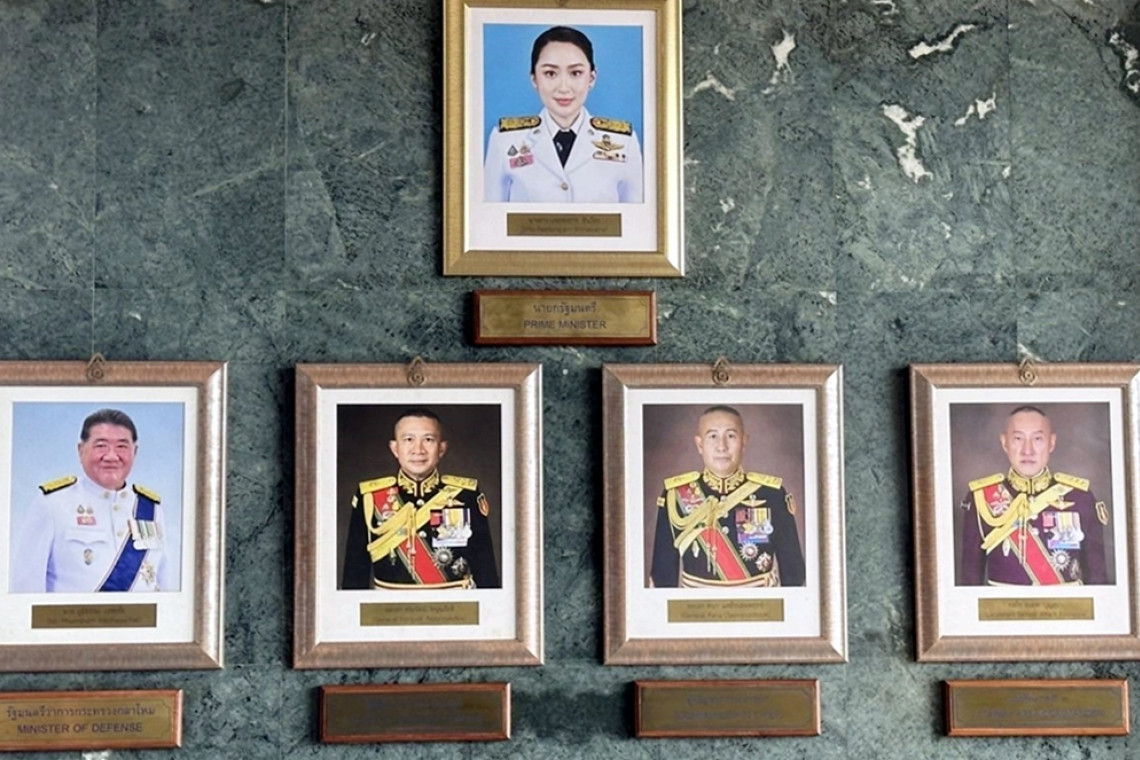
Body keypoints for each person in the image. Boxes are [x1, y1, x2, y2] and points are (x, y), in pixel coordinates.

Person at [11, 409, 168, 593]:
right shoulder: (53, 503)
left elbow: (163, 583)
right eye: (101, 446)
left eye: (121, 446)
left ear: (135, 452)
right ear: (81, 450)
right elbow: (26, 587)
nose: (111, 456)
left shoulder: (152, 509)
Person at [342, 408, 500, 590]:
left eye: (428, 440)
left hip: (453, 604)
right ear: (395, 448)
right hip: (388, 606)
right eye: (408, 439)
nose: (418, 450)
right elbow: (354, 577)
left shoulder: (466, 495)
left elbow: (486, 573)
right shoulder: (370, 497)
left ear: (441, 448)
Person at [484, 25, 644, 203]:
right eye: (550, 73)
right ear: (534, 78)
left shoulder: (623, 142)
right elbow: (490, 215)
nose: (563, 88)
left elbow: (636, 216)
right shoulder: (504, 140)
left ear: (591, 78)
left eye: (575, 73)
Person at [650, 406, 805, 588]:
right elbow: (662, 578)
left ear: (744, 442)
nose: (722, 446)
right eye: (712, 436)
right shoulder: (674, 496)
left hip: (759, 604)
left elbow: (793, 575)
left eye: (731, 436)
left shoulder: (772, 495)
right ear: (699, 445)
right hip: (696, 604)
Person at [959, 405, 1110, 585]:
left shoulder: (1080, 498)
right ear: (1004, 443)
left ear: (1051, 442)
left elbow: (1098, 582)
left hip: (1066, 604)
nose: (1027, 450)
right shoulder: (980, 499)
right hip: (1004, 604)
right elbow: (969, 584)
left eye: (1037, 439)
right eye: (1018, 438)